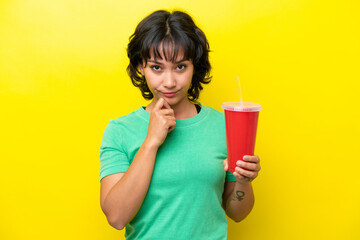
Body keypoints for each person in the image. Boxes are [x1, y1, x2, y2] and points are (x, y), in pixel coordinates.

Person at [99, 9, 261, 240]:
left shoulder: (223, 125)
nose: (169, 81)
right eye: (156, 67)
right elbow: (116, 217)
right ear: (140, 67)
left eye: (180, 67)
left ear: (195, 67)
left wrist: (244, 183)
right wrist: (151, 142)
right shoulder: (120, 130)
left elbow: (237, 213)